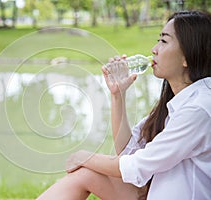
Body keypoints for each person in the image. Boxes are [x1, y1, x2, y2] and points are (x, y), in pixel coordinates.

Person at [37, 10, 211, 200]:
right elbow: (128, 151)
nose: (154, 49)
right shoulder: (178, 103)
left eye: (164, 41)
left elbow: (136, 166)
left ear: (188, 56)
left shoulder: (198, 109)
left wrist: (85, 157)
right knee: (86, 175)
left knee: (88, 168)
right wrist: (118, 95)